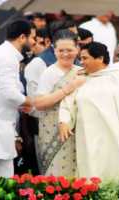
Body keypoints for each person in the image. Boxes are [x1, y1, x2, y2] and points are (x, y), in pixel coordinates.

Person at [58, 42, 119, 179]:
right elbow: (68, 104)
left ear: (99, 58)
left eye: (85, 58)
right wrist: (63, 122)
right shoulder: (80, 79)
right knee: (94, 172)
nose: (81, 62)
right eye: (81, 58)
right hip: (89, 137)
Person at [0, 19, 35, 178]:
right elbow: (9, 92)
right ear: (22, 37)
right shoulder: (5, 56)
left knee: (3, 180)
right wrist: (31, 101)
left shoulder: (4, 54)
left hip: (2, 125)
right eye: (32, 37)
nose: (33, 42)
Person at [34, 29, 82, 176]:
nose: (65, 54)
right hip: (53, 131)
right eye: (61, 50)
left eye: (69, 50)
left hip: (77, 131)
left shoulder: (81, 72)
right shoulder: (49, 73)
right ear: (54, 51)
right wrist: (67, 89)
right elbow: (39, 103)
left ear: (77, 49)